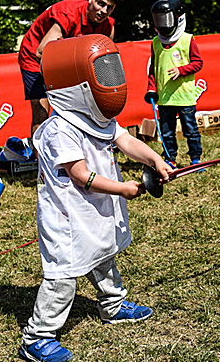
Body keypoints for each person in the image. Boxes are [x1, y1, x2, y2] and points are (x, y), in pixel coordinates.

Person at [19, 34, 173, 362]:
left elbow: (125, 140)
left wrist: (153, 159)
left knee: (102, 253)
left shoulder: (96, 117)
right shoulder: (59, 129)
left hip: (93, 208)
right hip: (66, 218)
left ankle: (112, 305)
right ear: (78, 86)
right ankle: (37, 336)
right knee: (63, 276)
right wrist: (123, 189)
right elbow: (81, 176)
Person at [18, 0, 124, 138]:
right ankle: (40, 160)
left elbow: (104, 64)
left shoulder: (108, 26)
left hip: (64, 61)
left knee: (85, 107)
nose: (103, 11)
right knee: (41, 113)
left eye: (110, 8)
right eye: (101, 4)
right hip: (34, 56)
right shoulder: (68, 14)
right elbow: (41, 52)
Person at [147, 0, 204, 170]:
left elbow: (198, 63)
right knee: (167, 132)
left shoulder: (187, 39)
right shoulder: (156, 42)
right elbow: (152, 69)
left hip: (184, 97)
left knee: (190, 130)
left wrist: (181, 70)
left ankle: (195, 158)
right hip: (164, 99)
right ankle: (170, 158)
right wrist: (151, 89)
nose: (163, 23)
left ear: (178, 18)